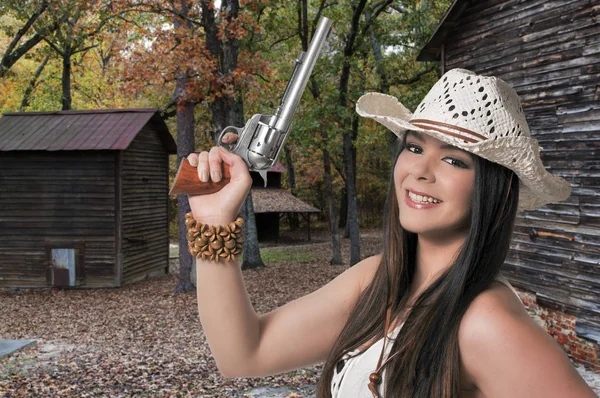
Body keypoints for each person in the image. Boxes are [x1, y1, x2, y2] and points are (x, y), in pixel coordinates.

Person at [185, 69, 596, 397]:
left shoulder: (485, 321)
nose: (420, 171)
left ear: (492, 189)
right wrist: (213, 222)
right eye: (415, 148)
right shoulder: (375, 280)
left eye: (454, 160)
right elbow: (243, 355)